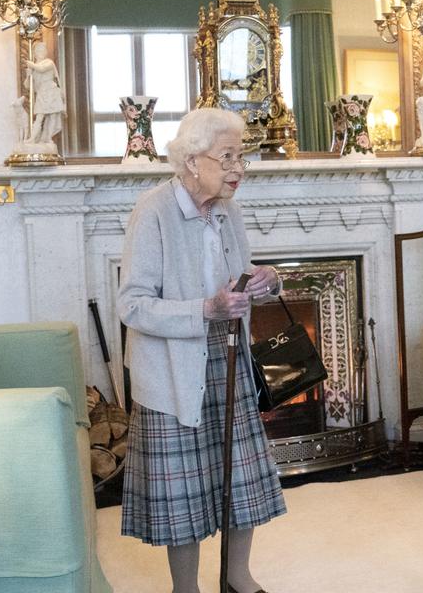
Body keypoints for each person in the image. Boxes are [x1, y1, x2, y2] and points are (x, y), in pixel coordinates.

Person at [118, 107, 285, 593]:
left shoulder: (229, 211)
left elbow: (239, 273)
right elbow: (133, 305)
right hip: (172, 373)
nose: (238, 169)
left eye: (242, 158)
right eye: (227, 157)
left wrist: (265, 280)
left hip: (229, 362)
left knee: (242, 480)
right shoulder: (153, 211)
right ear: (193, 161)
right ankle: (185, 590)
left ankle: (237, 578)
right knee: (184, 495)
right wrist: (205, 310)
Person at [25, 41, 66, 144]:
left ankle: (48, 137)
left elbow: (42, 69)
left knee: (52, 116)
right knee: (39, 116)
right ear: (34, 53)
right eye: (38, 50)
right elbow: (27, 85)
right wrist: (28, 75)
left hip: (51, 91)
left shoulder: (48, 62)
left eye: (43, 50)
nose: (41, 52)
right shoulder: (33, 67)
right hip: (41, 93)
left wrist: (32, 66)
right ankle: (32, 138)